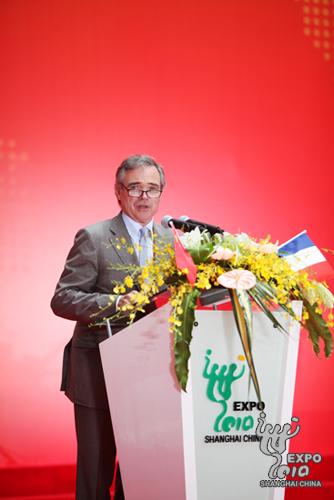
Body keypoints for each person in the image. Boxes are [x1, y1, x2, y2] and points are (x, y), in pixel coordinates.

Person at [51, 154, 172, 500]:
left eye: (153, 189)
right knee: (96, 471)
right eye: (135, 187)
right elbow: (63, 299)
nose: (144, 197)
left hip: (152, 374)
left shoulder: (170, 239)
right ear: (119, 192)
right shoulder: (95, 236)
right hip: (97, 369)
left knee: (140, 470)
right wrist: (115, 303)